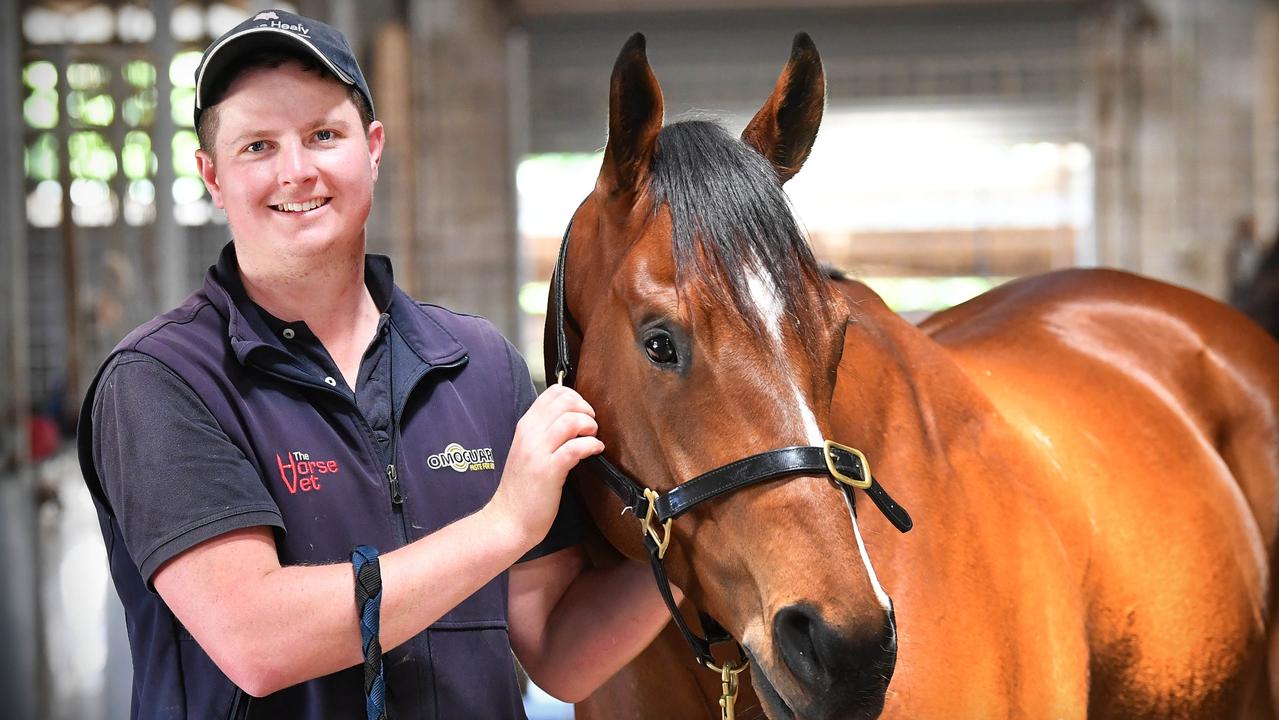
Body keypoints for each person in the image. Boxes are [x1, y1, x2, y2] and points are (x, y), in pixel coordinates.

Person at [77, 9, 673, 719]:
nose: (295, 171)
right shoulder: (162, 381)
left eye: (323, 135)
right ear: (211, 176)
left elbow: (560, 654)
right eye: (258, 146)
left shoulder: (479, 366)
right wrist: (503, 524)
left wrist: (702, 543)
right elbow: (257, 640)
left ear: (373, 147)